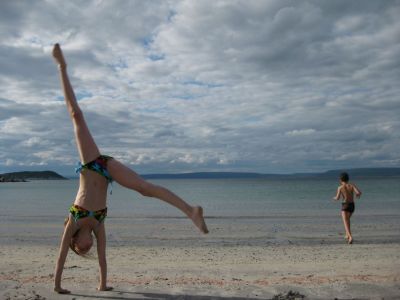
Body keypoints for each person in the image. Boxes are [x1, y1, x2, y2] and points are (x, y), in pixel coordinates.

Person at [52, 43, 209, 294]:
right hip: (108, 170)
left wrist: (57, 286)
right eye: (87, 249)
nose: (87, 248)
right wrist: (102, 285)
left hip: (93, 164)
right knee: (145, 188)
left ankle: (61, 66)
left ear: (74, 241)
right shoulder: (98, 224)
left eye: (81, 249)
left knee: (76, 115)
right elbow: (103, 257)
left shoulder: (74, 220)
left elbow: (60, 257)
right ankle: (191, 210)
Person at [333, 172, 362, 244]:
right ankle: (347, 234)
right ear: (348, 179)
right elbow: (358, 192)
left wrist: (334, 198)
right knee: (348, 220)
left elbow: (337, 198)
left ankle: (350, 237)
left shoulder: (340, 187)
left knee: (345, 222)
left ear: (340, 180)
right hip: (352, 205)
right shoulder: (352, 185)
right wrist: (357, 195)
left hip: (345, 205)